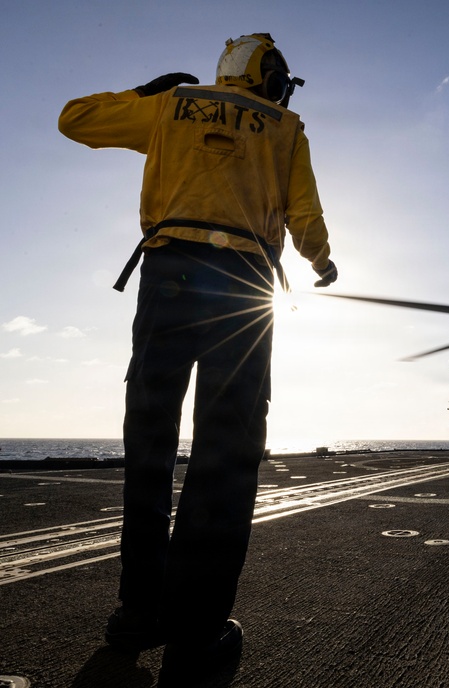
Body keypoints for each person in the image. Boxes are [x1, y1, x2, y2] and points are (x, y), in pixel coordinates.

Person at [58, 33, 338, 681]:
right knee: (226, 457)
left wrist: (147, 93)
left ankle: (136, 611)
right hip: (243, 288)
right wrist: (321, 262)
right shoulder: (286, 127)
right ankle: (197, 627)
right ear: (268, 75)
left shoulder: (173, 107)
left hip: (168, 277)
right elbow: (306, 214)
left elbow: (73, 119)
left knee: (150, 444)